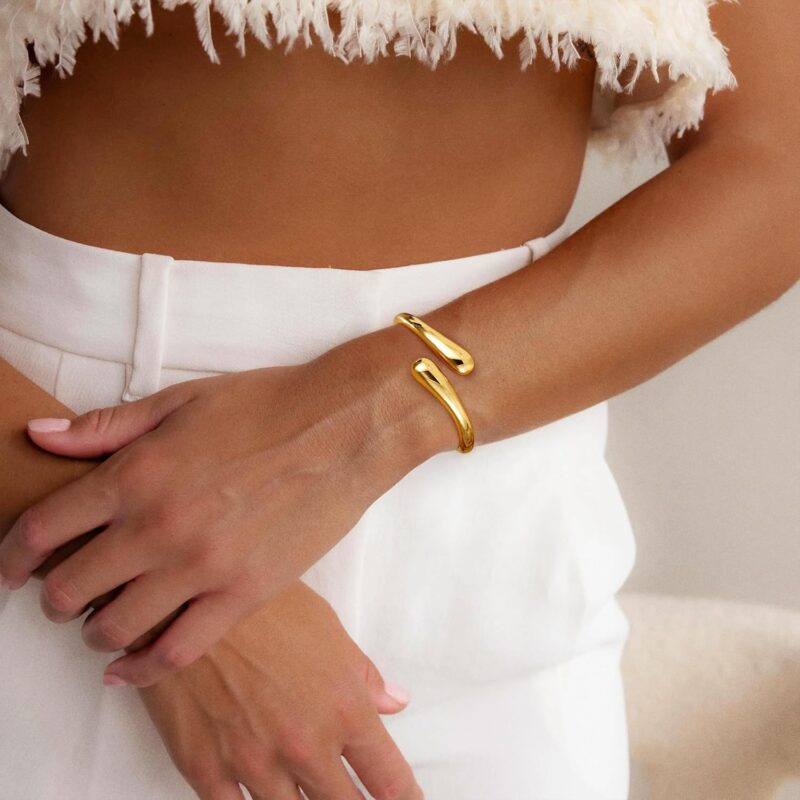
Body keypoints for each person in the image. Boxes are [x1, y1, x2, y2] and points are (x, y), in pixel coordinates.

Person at [0, 0, 797, 798]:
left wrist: (372, 418)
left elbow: (775, 161)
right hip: (69, 489)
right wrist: (148, 588)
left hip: (495, 517)